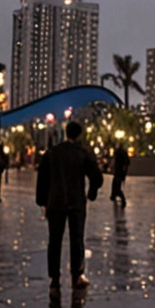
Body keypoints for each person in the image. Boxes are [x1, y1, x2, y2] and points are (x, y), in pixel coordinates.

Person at [36, 121, 103, 293]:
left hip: (56, 203)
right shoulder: (83, 153)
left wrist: (42, 201)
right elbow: (96, 176)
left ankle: (54, 279)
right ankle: (77, 276)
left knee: (54, 241)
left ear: (66, 133)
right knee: (77, 239)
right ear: (79, 135)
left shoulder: (52, 153)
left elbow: (42, 179)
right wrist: (92, 192)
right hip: (76, 202)